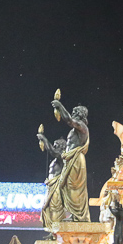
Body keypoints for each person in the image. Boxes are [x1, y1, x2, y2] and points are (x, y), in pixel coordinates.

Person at [41, 96, 91, 227]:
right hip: (70, 160)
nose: (73, 113)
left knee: (74, 187)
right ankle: (75, 214)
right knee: (67, 187)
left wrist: (59, 106)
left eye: (75, 112)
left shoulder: (81, 126)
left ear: (80, 114)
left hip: (75, 160)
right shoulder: (76, 129)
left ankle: (79, 216)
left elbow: (69, 120)